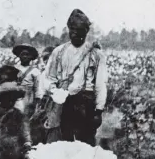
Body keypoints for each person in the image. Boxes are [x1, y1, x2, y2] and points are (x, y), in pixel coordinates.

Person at [41, 9, 108, 146]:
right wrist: (55, 91)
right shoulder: (59, 52)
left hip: (86, 103)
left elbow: (101, 84)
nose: (76, 33)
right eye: (73, 30)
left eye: (81, 30)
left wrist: (99, 110)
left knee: (87, 143)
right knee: (66, 142)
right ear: (68, 30)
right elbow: (48, 77)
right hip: (66, 102)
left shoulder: (96, 54)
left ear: (86, 31)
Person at [13, 44, 41, 119]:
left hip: (28, 100)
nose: (25, 56)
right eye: (22, 54)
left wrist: (36, 106)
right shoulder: (13, 69)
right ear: (19, 55)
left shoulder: (35, 71)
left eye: (27, 55)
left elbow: (37, 90)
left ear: (31, 57)